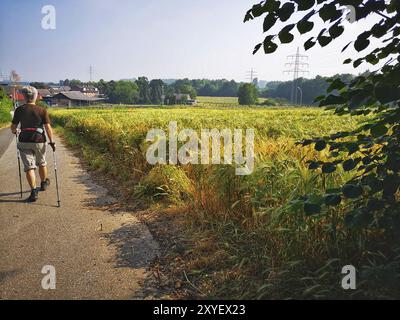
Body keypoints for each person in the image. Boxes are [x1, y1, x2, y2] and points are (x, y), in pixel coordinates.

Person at [10, 86, 56, 202]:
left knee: (29, 167)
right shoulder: (42, 110)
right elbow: (48, 127)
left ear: (24, 97)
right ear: (35, 96)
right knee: (41, 162)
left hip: (24, 141)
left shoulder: (19, 110)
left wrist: (15, 131)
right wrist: (51, 141)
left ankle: (33, 192)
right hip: (39, 140)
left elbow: (13, 127)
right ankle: (44, 182)